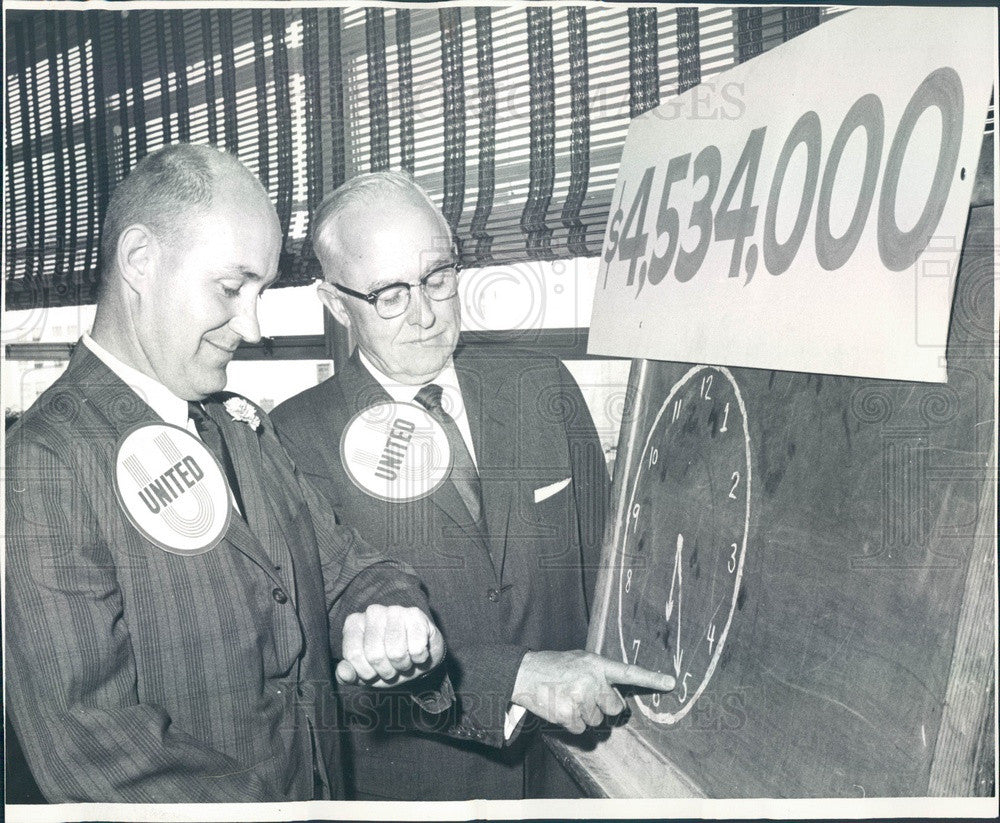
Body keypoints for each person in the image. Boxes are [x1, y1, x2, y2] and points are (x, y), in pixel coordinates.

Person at [4, 144, 449, 803]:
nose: (254, 323)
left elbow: (349, 567)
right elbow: (94, 752)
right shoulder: (45, 461)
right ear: (139, 261)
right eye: (231, 286)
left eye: (261, 290)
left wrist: (390, 612)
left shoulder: (238, 424)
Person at [271, 171, 675, 800]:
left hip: (579, 775)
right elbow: (322, 669)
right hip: (419, 795)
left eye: (437, 277)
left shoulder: (543, 389)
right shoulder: (290, 440)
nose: (427, 314)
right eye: (389, 295)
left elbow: (616, 579)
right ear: (333, 302)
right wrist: (513, 678)